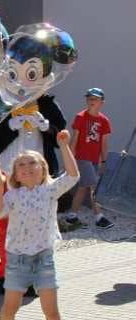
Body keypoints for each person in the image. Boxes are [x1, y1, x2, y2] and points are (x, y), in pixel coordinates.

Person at [0, 131, 79, 320]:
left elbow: (73, 175)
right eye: (21, 165)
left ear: (43, 169)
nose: (27, 167)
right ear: (15, 174)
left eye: (32, 163)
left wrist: (64, 145)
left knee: (51, 310)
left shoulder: (49, 190)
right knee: (9, 308)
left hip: (43, 258)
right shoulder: (13, 195)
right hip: (17, 260)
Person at [0, 93, 66, 295]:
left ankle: (31, 278)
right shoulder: (1, 103)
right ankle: (5, 274)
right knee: (5, 226)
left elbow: (61, 136)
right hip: (8, 171)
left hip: (36, 178)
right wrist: (11, 125)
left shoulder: (48, 104)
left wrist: (46, 127)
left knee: (36, 227)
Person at [64, 87, 114, 229]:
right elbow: (75, 139)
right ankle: (99, 217)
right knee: (94, 186)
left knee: (83, 187)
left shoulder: (104, 121)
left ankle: (71, 216)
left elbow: (104, 144)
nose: (91, 101)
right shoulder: (81, 117)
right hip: (82, 157)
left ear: (101, 102)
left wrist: (104, 161)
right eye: (89, 98)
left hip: (94, 159)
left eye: (95, 99)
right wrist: (70, 158)